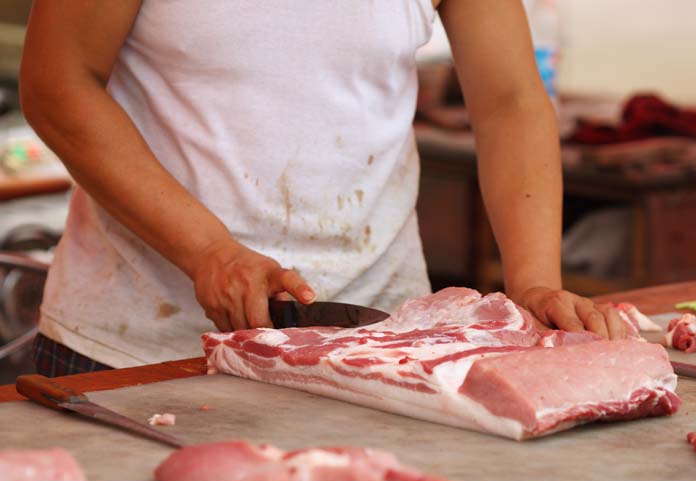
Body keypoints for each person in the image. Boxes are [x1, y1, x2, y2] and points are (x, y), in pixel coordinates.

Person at [19, 0, 630, 377]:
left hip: (380, 346)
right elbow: (59, 83)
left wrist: (534, 281)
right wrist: (208, 249)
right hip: (137, 347)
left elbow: (511, 102)